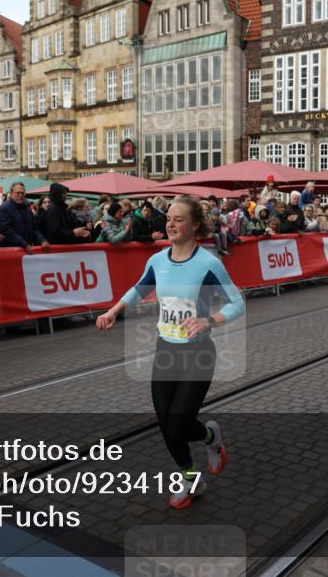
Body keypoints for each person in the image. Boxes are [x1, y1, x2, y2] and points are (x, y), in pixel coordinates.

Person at [96, 195, 245, 510]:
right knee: (166, 423)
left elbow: (238, 302)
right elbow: (139, 288)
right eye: (169, 218)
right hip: (166, 351)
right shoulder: (158, 260)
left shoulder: (208, 263)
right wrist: (114, 310)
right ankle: (191, 478)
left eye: (179, 219)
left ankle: (210, 438)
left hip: (198, 354)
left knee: (179, 424)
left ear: (194, 225)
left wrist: (209, 321)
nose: (172, 223)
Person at [0, 181, 50, 254]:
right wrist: (25, 244)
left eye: (22, 193)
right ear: (11, 194)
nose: (20, 195)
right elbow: (7, 232)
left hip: (27, 251)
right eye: (17, 193)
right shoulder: (4, 209)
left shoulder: (27, 208)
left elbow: (33, 227)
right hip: (11, 252)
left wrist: (42, 240)